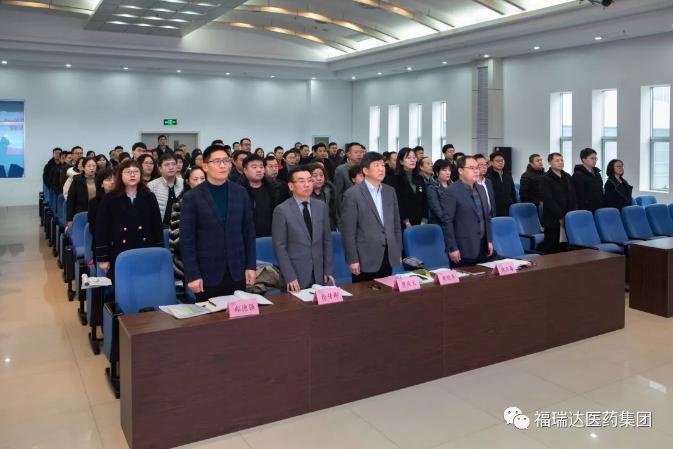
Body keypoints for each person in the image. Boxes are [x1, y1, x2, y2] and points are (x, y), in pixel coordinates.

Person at [179, 145, 256, 301]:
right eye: (217, 161)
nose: (223, 165)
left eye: (226, 161)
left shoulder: (240, 192)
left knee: (237, 313)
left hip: (237, 270)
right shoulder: (192, 197)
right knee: (210, 316)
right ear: (205, 166)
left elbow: (248, 232)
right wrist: (192, 274)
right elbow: (187, 240)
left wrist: (250, 266)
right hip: (207, 273)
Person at [95, 160, 163, 281]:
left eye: (136, 171)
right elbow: (101, 229)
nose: (132, 175)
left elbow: (157, 226)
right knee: (123, 286)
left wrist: (159, 251)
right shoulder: (110, 198)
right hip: (119, 251)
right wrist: (103, 258)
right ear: (120, 175)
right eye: (128, 172)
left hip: (145, 249)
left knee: (146, 283)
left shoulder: (149, 196)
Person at [341, 152, 402, 283]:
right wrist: (352, 259)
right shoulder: (352, 194)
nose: (381, 169)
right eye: (376, 165)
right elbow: (348, 231)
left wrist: (397, 250)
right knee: (364, 295)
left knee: (387, 292)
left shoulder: (390, 191)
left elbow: (396, 224)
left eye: (383, 165)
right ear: (365, 170)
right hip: (365, 257)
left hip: (388, 254)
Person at [272, 166, 334, 291]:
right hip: (296, 274)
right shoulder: (282, 210)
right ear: (291, 186)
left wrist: (328, 270)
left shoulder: (321, 206)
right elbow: (280, 247)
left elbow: (327, 241)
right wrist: (289, 276)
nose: (307, 184)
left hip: (319, 272)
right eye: (301, 181)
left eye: (309, 180)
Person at [444, 156, 493, 266]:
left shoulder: (481, 189)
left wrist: (489, 240)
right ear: (460, 171)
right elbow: (447, 222)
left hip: (483, 246)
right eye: (471, 168)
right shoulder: (451, 191)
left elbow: (487, 217)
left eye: (477, 167)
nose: (476, 171)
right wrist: (452, 248)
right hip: (463, 248)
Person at [169, 167, 206, 283]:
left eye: (202, 178)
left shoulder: (212, 200)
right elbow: (176, 240)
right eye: (195, 179)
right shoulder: (180, 204)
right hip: (187, 257)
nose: (199, 182)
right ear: (187, 182)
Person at [541, 152, 576, 253]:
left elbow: (573, 196)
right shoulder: (545, 178)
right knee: (552, 247)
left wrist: (570, 214)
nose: (560, 162)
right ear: (549, 162)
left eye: (561, 160)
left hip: (567, 216)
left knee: (565, 248)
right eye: (557, 160)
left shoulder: (567, 176)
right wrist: (560, 216)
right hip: (553, 218)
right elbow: (549, 200)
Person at [239, 153, 280, 237]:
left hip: (270, 236)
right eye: (254, 167)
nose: (259, 170)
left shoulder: (273, 188)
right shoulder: (239, 191)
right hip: (246, 237)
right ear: (245, 170)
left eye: (261, 167)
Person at [391, 147, 427, 229]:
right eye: (409, 158)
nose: (412, 160)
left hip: (420, 222)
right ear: (401, 161)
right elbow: (397, 202)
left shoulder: (419, 178)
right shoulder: (394, 179)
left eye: (414, 158)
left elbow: (425, 200)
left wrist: (424, 220)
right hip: (402, 223)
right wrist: (406, 222)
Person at [148, 153, 184, 226]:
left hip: (182, 226)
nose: (171, 167)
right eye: (167, 165)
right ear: (160, 168)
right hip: (160, 227)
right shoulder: (152, 186)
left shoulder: (183, 183)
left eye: (173, 164)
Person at [427, 159, 453, 255]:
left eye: (449, 170)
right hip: (441, 225)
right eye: (444, 170)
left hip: (454, 224)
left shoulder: (453, 185)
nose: (448, 173)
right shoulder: (432, 187)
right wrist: (449, 222)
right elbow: (436, 209)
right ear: (437, 172)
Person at [87, 168, 115, 255]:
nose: (113, 182)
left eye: (115, 179)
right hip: (102, 244)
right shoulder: (94, 203)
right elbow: (93, 229)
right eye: (108, 180)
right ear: (101, 184)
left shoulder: (122, 200)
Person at [66, 157, 97, 227]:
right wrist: (69, 219)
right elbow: (71, 200)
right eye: (89, 166)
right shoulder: (77, 180)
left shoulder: (100, 179)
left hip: (97, 213)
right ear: (83, 168)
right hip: (81, 212)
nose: (92, 168)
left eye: (94, 166)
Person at [572, 148, 604, 212]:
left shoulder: (597, 173)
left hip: (599, 208)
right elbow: (579, 196)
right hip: (586, 209)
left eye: (595, 158)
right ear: (584, 159)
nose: (594, 161)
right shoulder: (578, 175)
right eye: (592, 158)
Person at [486, 151, 517, 216]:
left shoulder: (508, 175)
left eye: (502, 160)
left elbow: (513, 192)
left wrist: (513, 204)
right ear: (491, 162)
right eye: (497, 161)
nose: (500, 162)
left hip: (509, 208)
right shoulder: (488, 177)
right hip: (495, 209)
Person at [334, 142, 365, 207]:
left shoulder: (366, 168)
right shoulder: (341, 170)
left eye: (361, 152)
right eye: (356, 152)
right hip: (349, 205)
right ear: (348, 154)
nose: (359, 154)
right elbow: (338, 193)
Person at [309, 163, 338, 231]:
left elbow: (334, 211)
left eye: (321, 175)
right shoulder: (305, 193)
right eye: (315, 176)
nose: (319, 178)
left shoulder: (329, 189)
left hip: (329, 226)